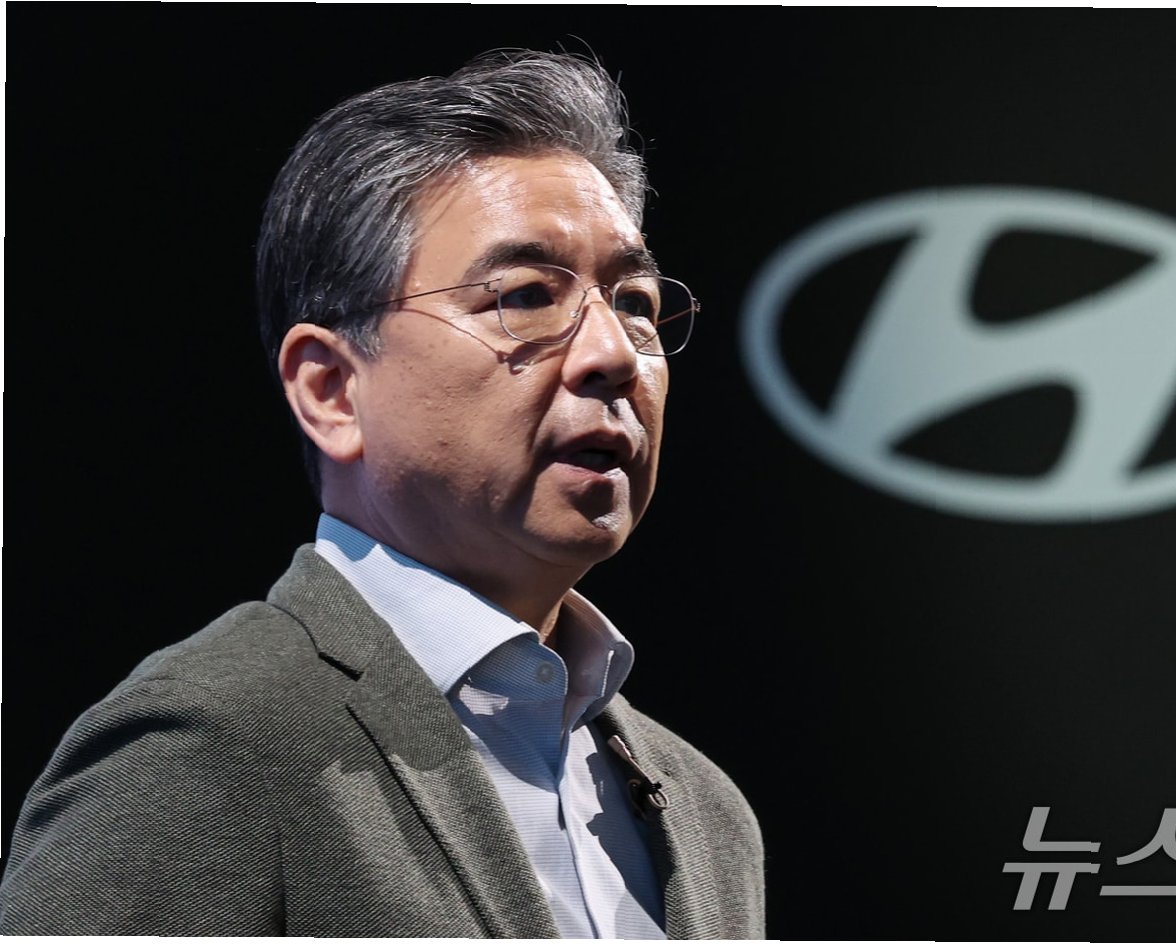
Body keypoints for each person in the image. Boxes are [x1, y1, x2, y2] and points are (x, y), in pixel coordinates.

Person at [0, 49, 765, 938]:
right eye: (525, 294)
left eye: (633, 300)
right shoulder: (207, 749)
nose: (611, 354)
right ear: (331, 389)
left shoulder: (707, 813)